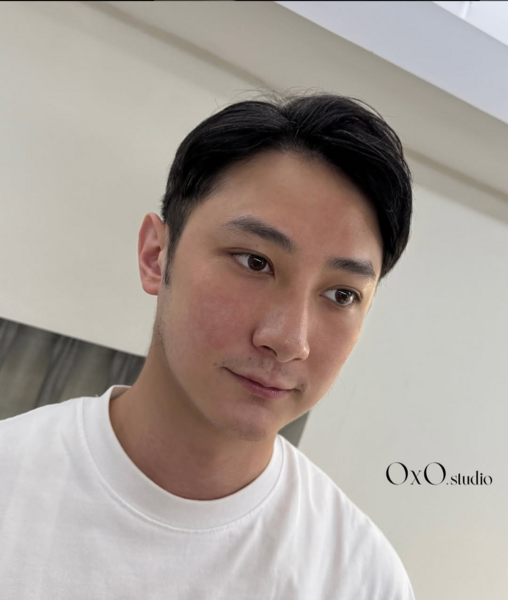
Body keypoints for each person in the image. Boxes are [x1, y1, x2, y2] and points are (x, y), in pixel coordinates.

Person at [0, 90, 415, 599]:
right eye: (255, 262)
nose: (289, 341)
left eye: (341, 294)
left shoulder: (362, 580)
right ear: (156, 256)